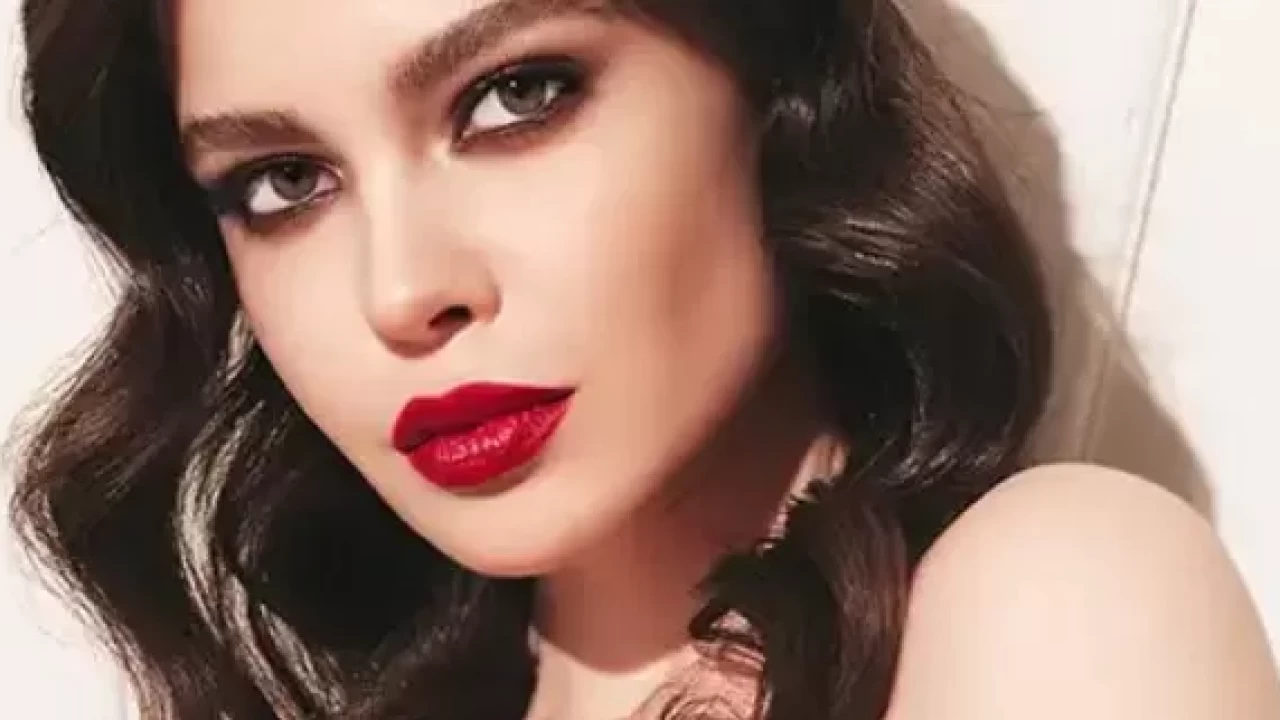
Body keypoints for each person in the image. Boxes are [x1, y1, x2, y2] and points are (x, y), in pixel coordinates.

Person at [8, 0, 1279, 718]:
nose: (399, 292)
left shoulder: (1054, 592)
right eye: (285, 182)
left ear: (773, 82)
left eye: (516, 95)